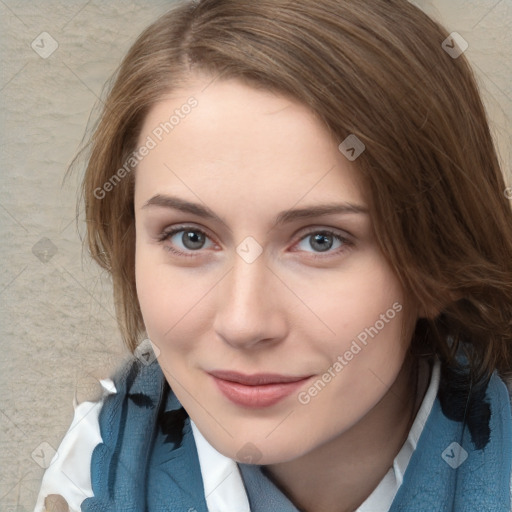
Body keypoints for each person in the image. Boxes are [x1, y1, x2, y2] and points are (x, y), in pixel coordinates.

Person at [34, 0, 512, 511]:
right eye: (190, 237)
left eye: (320, 240)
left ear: (439, 263)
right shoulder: (90, 471)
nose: (244, 323)